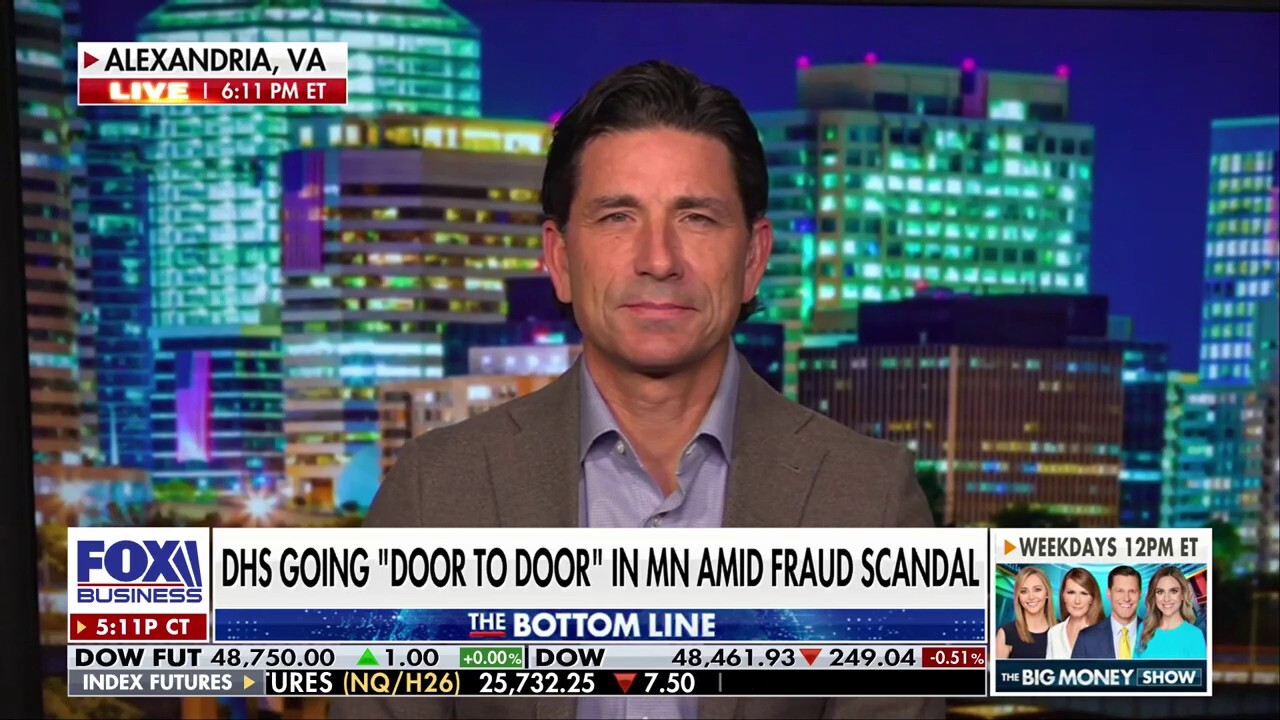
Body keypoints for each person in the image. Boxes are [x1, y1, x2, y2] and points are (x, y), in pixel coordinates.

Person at [329, 60, 941, 720]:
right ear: (560, 258)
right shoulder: (436, 492)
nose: (658, 259)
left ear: (753, 259)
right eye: (618, 217)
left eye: (697, 218)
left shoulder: (870, 501)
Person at [1136, 565, 1207, 659]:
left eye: (1173, 591)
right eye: (1160, 592)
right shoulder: (1144, 629)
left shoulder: (1195, 635)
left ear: (1183, 595)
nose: (1166, 599)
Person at [1072, 565, 1143, 659]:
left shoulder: (1155, 634)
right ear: (1108, 593)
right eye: (1119, 591)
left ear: (1140, 594)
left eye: (1132, 591)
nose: (1126, 598)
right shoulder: (1086, 639)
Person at [995, 566, 1053, 659]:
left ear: (1047, 593)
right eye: (1024, 591)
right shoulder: (1006, 633)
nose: (1031, 597)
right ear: (1018, 596)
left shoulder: (1062, 630)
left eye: (1037, 589)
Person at [1046, 567, 1104, 659]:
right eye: (1071, 592)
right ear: (1063, 596)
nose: (1077, 601)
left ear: (1092, 598)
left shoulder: (1104, 634)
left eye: (1084, 593)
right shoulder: (1054, 633)